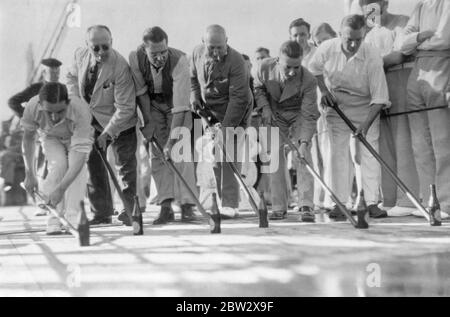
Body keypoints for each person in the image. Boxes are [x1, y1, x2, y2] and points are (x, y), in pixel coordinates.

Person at [309, 14, 390, 220]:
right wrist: (324, 91)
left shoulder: (372, 55)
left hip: (366, 106)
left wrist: (365, 124)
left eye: (358, 39)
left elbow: (380, 97)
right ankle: (339, 203)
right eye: (349, 39)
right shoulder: (327, 48)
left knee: (369, 153)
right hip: (338, 106)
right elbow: (314, 68)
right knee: (338, 154)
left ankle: (371, 202)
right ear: (339, 34)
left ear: (364, 36)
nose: (353, 44)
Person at [66, 25, 137, 225]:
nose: (101, 52)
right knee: (94, 165)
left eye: (105, 47)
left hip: (120, 122)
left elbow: (125, 108)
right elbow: (70, 77)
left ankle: (130, 210)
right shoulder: (79, 55)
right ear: (86, 45)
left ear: (112, 42)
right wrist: (77, 104)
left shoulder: (120, 66)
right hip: (91, 120)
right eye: (95, 48)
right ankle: (101, 212)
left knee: (126, 168)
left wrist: (107, 133)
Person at [129, 26, 198, 224]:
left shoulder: (180, 61)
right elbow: (141, 93)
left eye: (163, 52)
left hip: (176, 106)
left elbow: (179, 107)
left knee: (180, 151)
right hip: (152, 105)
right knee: (157, 155)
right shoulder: (135, 57)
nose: (160, 58)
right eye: (154, 53)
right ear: (145, 48)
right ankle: (166, 205)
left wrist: (172, 141)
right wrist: (148, 122)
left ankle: (187, 205)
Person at [359, 0, 423, 214]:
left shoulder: (402, 23)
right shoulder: (369, 35)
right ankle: (390, 198)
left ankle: (408, 199)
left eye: (374, 6)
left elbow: (400, 54)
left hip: (400, 81)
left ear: (384, 4)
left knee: (403, 140)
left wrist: (374, 65)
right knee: (384, 144)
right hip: (379, 89)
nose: (370, 12)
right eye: (366, 9)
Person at [190, 24, 253, 219]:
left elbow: (238, 100)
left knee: (229, 154)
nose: (216, 52)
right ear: (203, 43)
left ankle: (230, 205)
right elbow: (193, 78)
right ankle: (223, 200)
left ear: (227, 42)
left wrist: (226, 130)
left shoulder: (237, 61)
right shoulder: (196, 53)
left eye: (220, 47)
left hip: (236, 110)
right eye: (212, 48)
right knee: (216, 155)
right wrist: (194, 96)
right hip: (210, 112)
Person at [254, 41, 319, 221]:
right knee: (274, 157)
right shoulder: (263, 67)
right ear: (277, 60)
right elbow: (257, 88)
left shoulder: (309, 80)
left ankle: (306, 204)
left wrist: (304, 142)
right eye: (287, 67)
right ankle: (279, 207)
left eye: (296, 67)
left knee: (304, 156)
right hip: (274, 114)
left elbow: (308, 116)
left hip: (298, 115)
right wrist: (264, 107)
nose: (292, 72)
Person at [398, 0, 450, 217]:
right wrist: (420, 37)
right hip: (417, 71)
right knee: (419, 144)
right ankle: (430, 199)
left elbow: (444, 38)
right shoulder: (420, 6)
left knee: (442, 143)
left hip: (442, 65)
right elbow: (402, 44)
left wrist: (416, 40)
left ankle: (446, 202)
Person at [21, 83, 93, 234]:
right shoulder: (32, 107)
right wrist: (30, 174)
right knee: (58, 166)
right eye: (49, 112)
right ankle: (54, 218)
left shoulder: (81, 110)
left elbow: (79, 156)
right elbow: (28, 140)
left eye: (60, 111)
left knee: (78, 170)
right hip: (50, 137)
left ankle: (73, 218)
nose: (54, 117)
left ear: (68, 103)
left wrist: (61, 189)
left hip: (74, 138)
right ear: (40, 105)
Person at [288, 18, 319, 215]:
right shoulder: (288, 55)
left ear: (309, 35)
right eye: (295, 35)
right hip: (296, 114)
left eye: (302, 34)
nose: (299, 38)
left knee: (318, 157)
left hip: (318, 113)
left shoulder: (317, 55)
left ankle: (316, 200)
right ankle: (300, 200)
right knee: (298, 157)